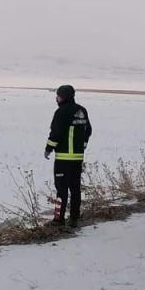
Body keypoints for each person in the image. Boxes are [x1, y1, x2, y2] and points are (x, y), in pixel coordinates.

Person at [44, 84, 92, 228]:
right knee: (75, 188)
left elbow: (56, 133)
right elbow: (88, 130)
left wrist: (48, 148)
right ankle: (74, 218)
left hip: (64, 158)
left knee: (61, 190)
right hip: (78, 158)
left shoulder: (61, 112)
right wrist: (83, 144)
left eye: (57, 96)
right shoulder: (82, 110)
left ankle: (58, 220)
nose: (56, 98)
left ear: (62, 97)